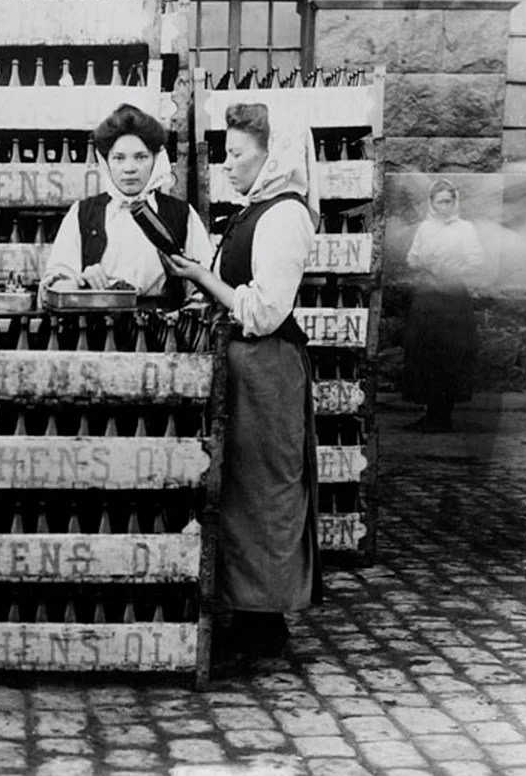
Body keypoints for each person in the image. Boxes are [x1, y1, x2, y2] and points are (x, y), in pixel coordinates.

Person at [162, 102, 322, 667]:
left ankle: (266, 622)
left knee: (265, 489)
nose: (226, 166)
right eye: (224, 154)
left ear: (271, 156)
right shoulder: (252, 210)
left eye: (237, 155)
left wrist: (203, 278)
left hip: (266, 366)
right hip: (242, 365)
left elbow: (265, 311)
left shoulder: (284, 216)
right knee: (239, 489)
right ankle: (247, 610)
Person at [40, 103, 213, 307]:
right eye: (119, 158)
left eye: (140, 157)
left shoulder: (181, 214)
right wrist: (79, 282)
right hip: (97, 330)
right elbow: (52, 288)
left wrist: (183, 318)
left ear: (156, 159)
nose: (129, 168)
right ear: (106, 162)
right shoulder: (82, 214)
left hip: (163, 331)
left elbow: (207, 287)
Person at [401, 178, 485, 433]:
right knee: (425, 353)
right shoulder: (425, 228)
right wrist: (425, 262)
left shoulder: (465, 228)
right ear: (432, 203)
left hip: (452, 300)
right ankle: (429, 413)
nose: (445, 207)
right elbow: (412, 258)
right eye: (440, 202)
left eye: (449, 201)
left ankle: (443, 414)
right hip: (428, 298)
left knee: (450, 355)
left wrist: (454, 268)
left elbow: (476, 260)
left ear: (455, 202)